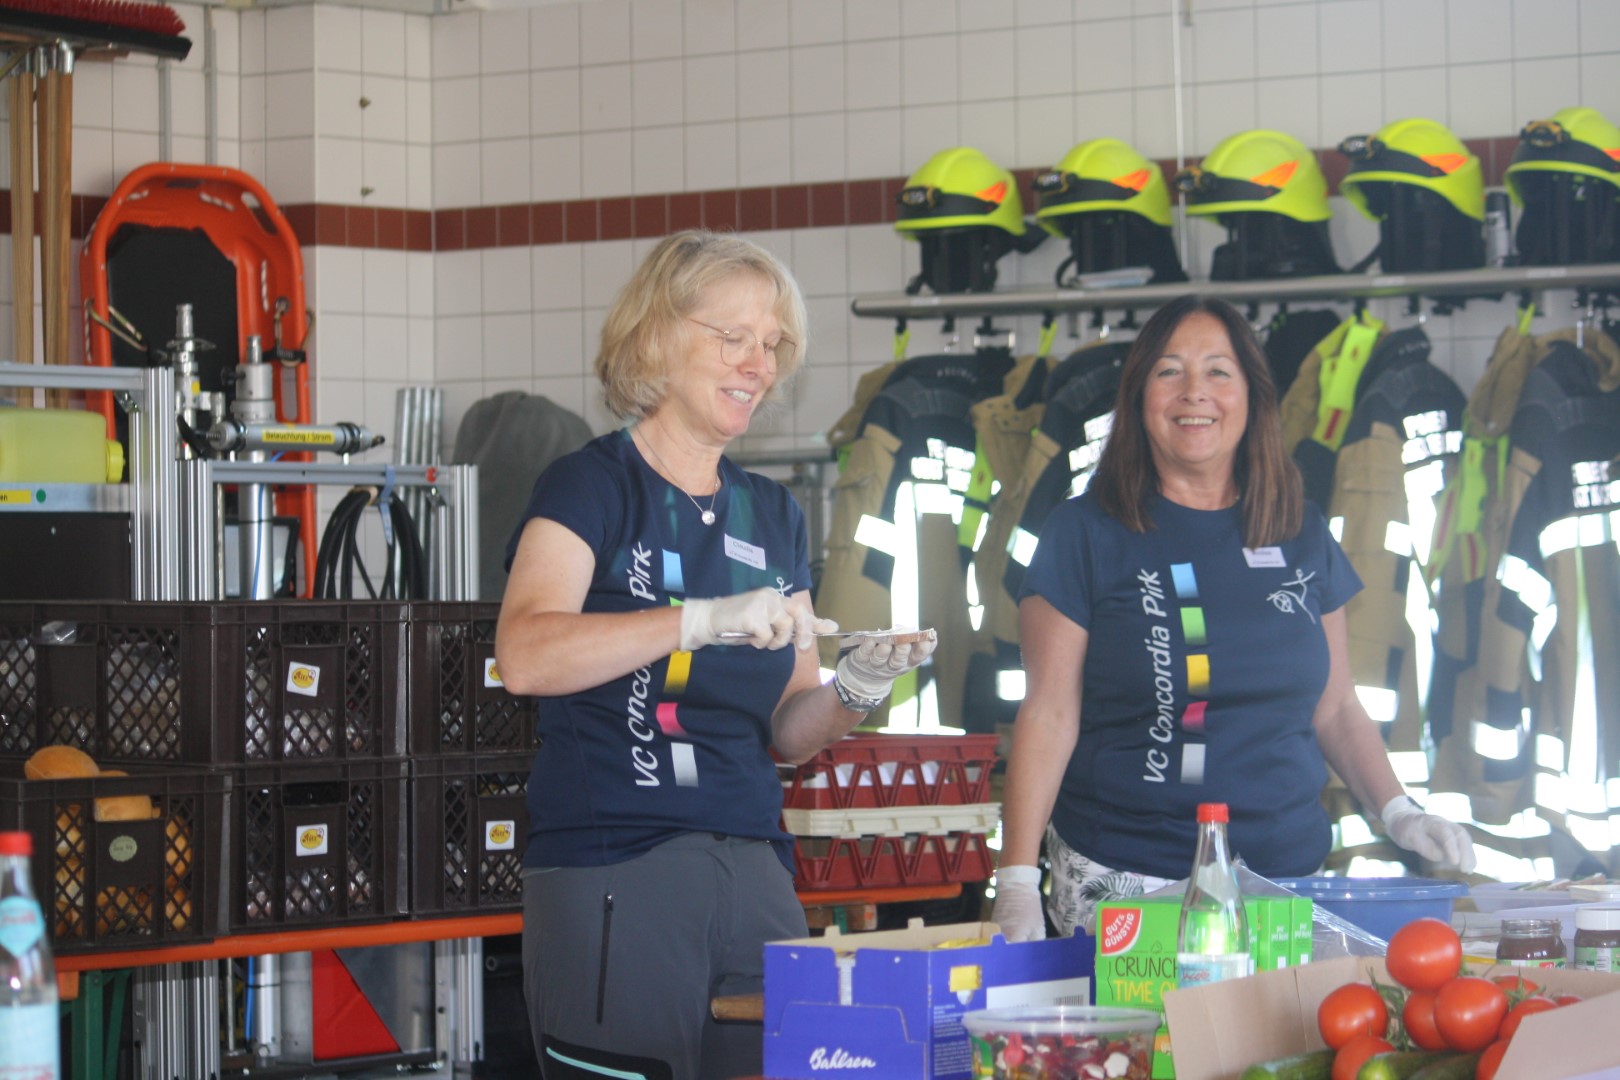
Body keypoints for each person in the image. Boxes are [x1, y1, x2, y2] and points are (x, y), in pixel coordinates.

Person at [494, 230, 935, 1079]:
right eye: (733, 337)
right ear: (657, 335)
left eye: (772, 344)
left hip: (755, 869)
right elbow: (525, 655)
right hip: (615, 869)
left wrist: (856, 685)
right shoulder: (590, 486)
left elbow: (789, 732)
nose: (758, 365)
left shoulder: (773, 514)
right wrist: (695, 620)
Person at [990, 295, 1474, 943]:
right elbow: (1049, 713)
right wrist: (1017, 879)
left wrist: (1398, 810)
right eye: (1169, 371)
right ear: (1138, 397)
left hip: (1287, 875)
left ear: (1251, 396)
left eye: (1218, 371)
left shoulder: (1298, 528)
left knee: (1274, 1018)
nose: (1195, 392)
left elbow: (1336, 708)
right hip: (1130, 876)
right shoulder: (1083, 532)